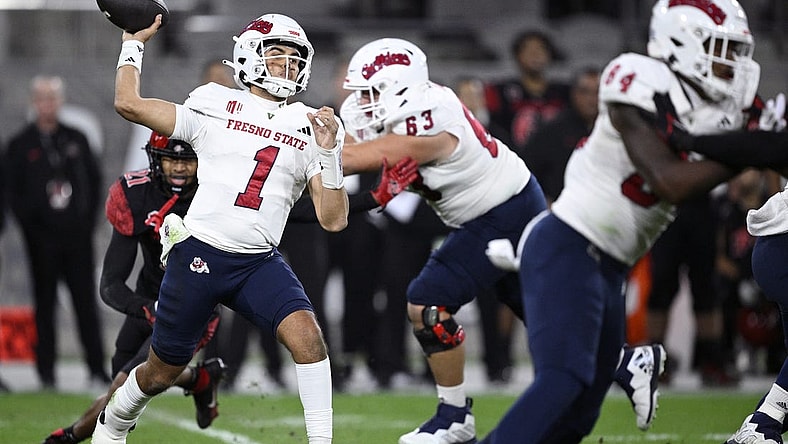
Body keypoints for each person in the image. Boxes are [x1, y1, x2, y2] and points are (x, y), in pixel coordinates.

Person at [338, 37, 663, 443]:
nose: (362, 102)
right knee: (539, 311)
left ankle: (454, 415)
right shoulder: (411, 110)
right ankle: (626, 360)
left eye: (371, 92)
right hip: (496, 207)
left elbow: (352, 156)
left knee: (427, 300)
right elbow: (356, 159)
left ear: (400, 89)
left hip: (501, 212)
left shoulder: (430, 121)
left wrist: (292, 145)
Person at [479, 0, 762, 441]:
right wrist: (748, 149)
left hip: (610, 264)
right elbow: (669, 181)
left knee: (584, 407)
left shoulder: (717, 108)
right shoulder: (637, 79)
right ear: (682, 44)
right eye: (719, 47)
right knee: (562, 379)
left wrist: (759, 143)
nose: (731, 62)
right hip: (569, 243)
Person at [92, 13, 349, 444]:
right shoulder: (215, 102)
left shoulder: (313, 125)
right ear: (249, 56)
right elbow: (129, 104)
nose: (287, 64)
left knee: (309, 339)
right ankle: (116, 419)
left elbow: (333, 218)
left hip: (258, 262)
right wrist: (132, 43)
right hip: (202, 253)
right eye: (277, 54)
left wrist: (329, 154)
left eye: (294, 57)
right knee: (161, 371)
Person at [41, 132, 226, 444]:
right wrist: (147, 308)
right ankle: (199, 378)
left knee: (123, 390)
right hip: (150, 299)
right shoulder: (139, 196)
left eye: (187, 161)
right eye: (171, 159)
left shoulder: (214, 197)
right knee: (127, 374)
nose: (179, 169)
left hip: (192, 308)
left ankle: (68, 437)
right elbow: (111, 283)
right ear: (156, 160)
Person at [3, 75, 109, 389]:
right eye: (42, 98)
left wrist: (87, 224)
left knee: (85, 304)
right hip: (41, 241)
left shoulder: (76, 138)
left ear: (60, 102)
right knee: (44, 306)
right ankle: (46, 373)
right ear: (33, 103)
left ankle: (96, 368)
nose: (47, 104)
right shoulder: (21, 144)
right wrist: (32, 230)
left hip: (77, 238)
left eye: (52, 98)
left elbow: (94, 182)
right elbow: (13, 194)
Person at [483, 29, 571, 156]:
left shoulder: (565, 93)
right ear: (517, 56)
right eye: (528, 50)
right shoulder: (501, 92)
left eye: (540, 49)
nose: (535, 55)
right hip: (515, 163)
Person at [522, 66, 601, 204]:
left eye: (597, 93)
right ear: (573, 93)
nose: (592, 99)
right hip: (560, 210)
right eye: (585, 92)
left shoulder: (615, 130)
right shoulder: (552, 131)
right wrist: (542, 201)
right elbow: (525, 170)